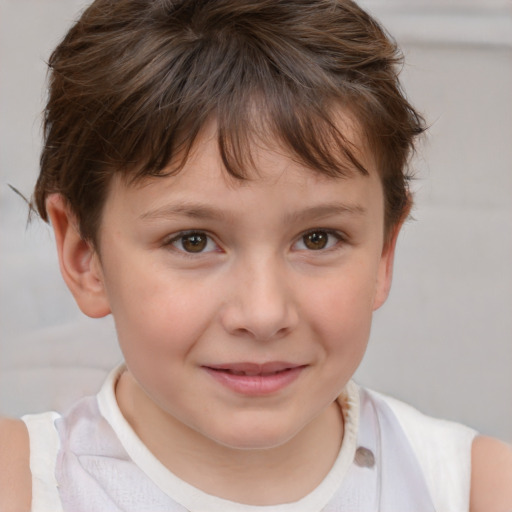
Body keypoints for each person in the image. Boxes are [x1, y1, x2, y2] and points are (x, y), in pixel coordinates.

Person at [0, 0, 511, 510]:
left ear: (383, 252)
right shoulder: (22, 483)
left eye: (318, 238)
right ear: (83, 254)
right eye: (193, 240)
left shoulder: (478, 491)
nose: (263, 314)